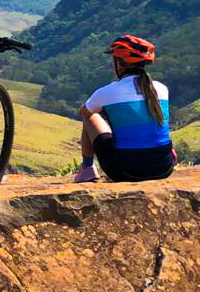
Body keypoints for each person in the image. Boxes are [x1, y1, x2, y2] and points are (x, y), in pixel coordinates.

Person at [73, 35, 176, 183]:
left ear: (119, 64)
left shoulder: (106, 92)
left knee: (91, 116)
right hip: (164, 168)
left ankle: (87, 169)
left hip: (126, 172)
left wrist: (109, 114)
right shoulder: (161, 88)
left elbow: (84, 112)